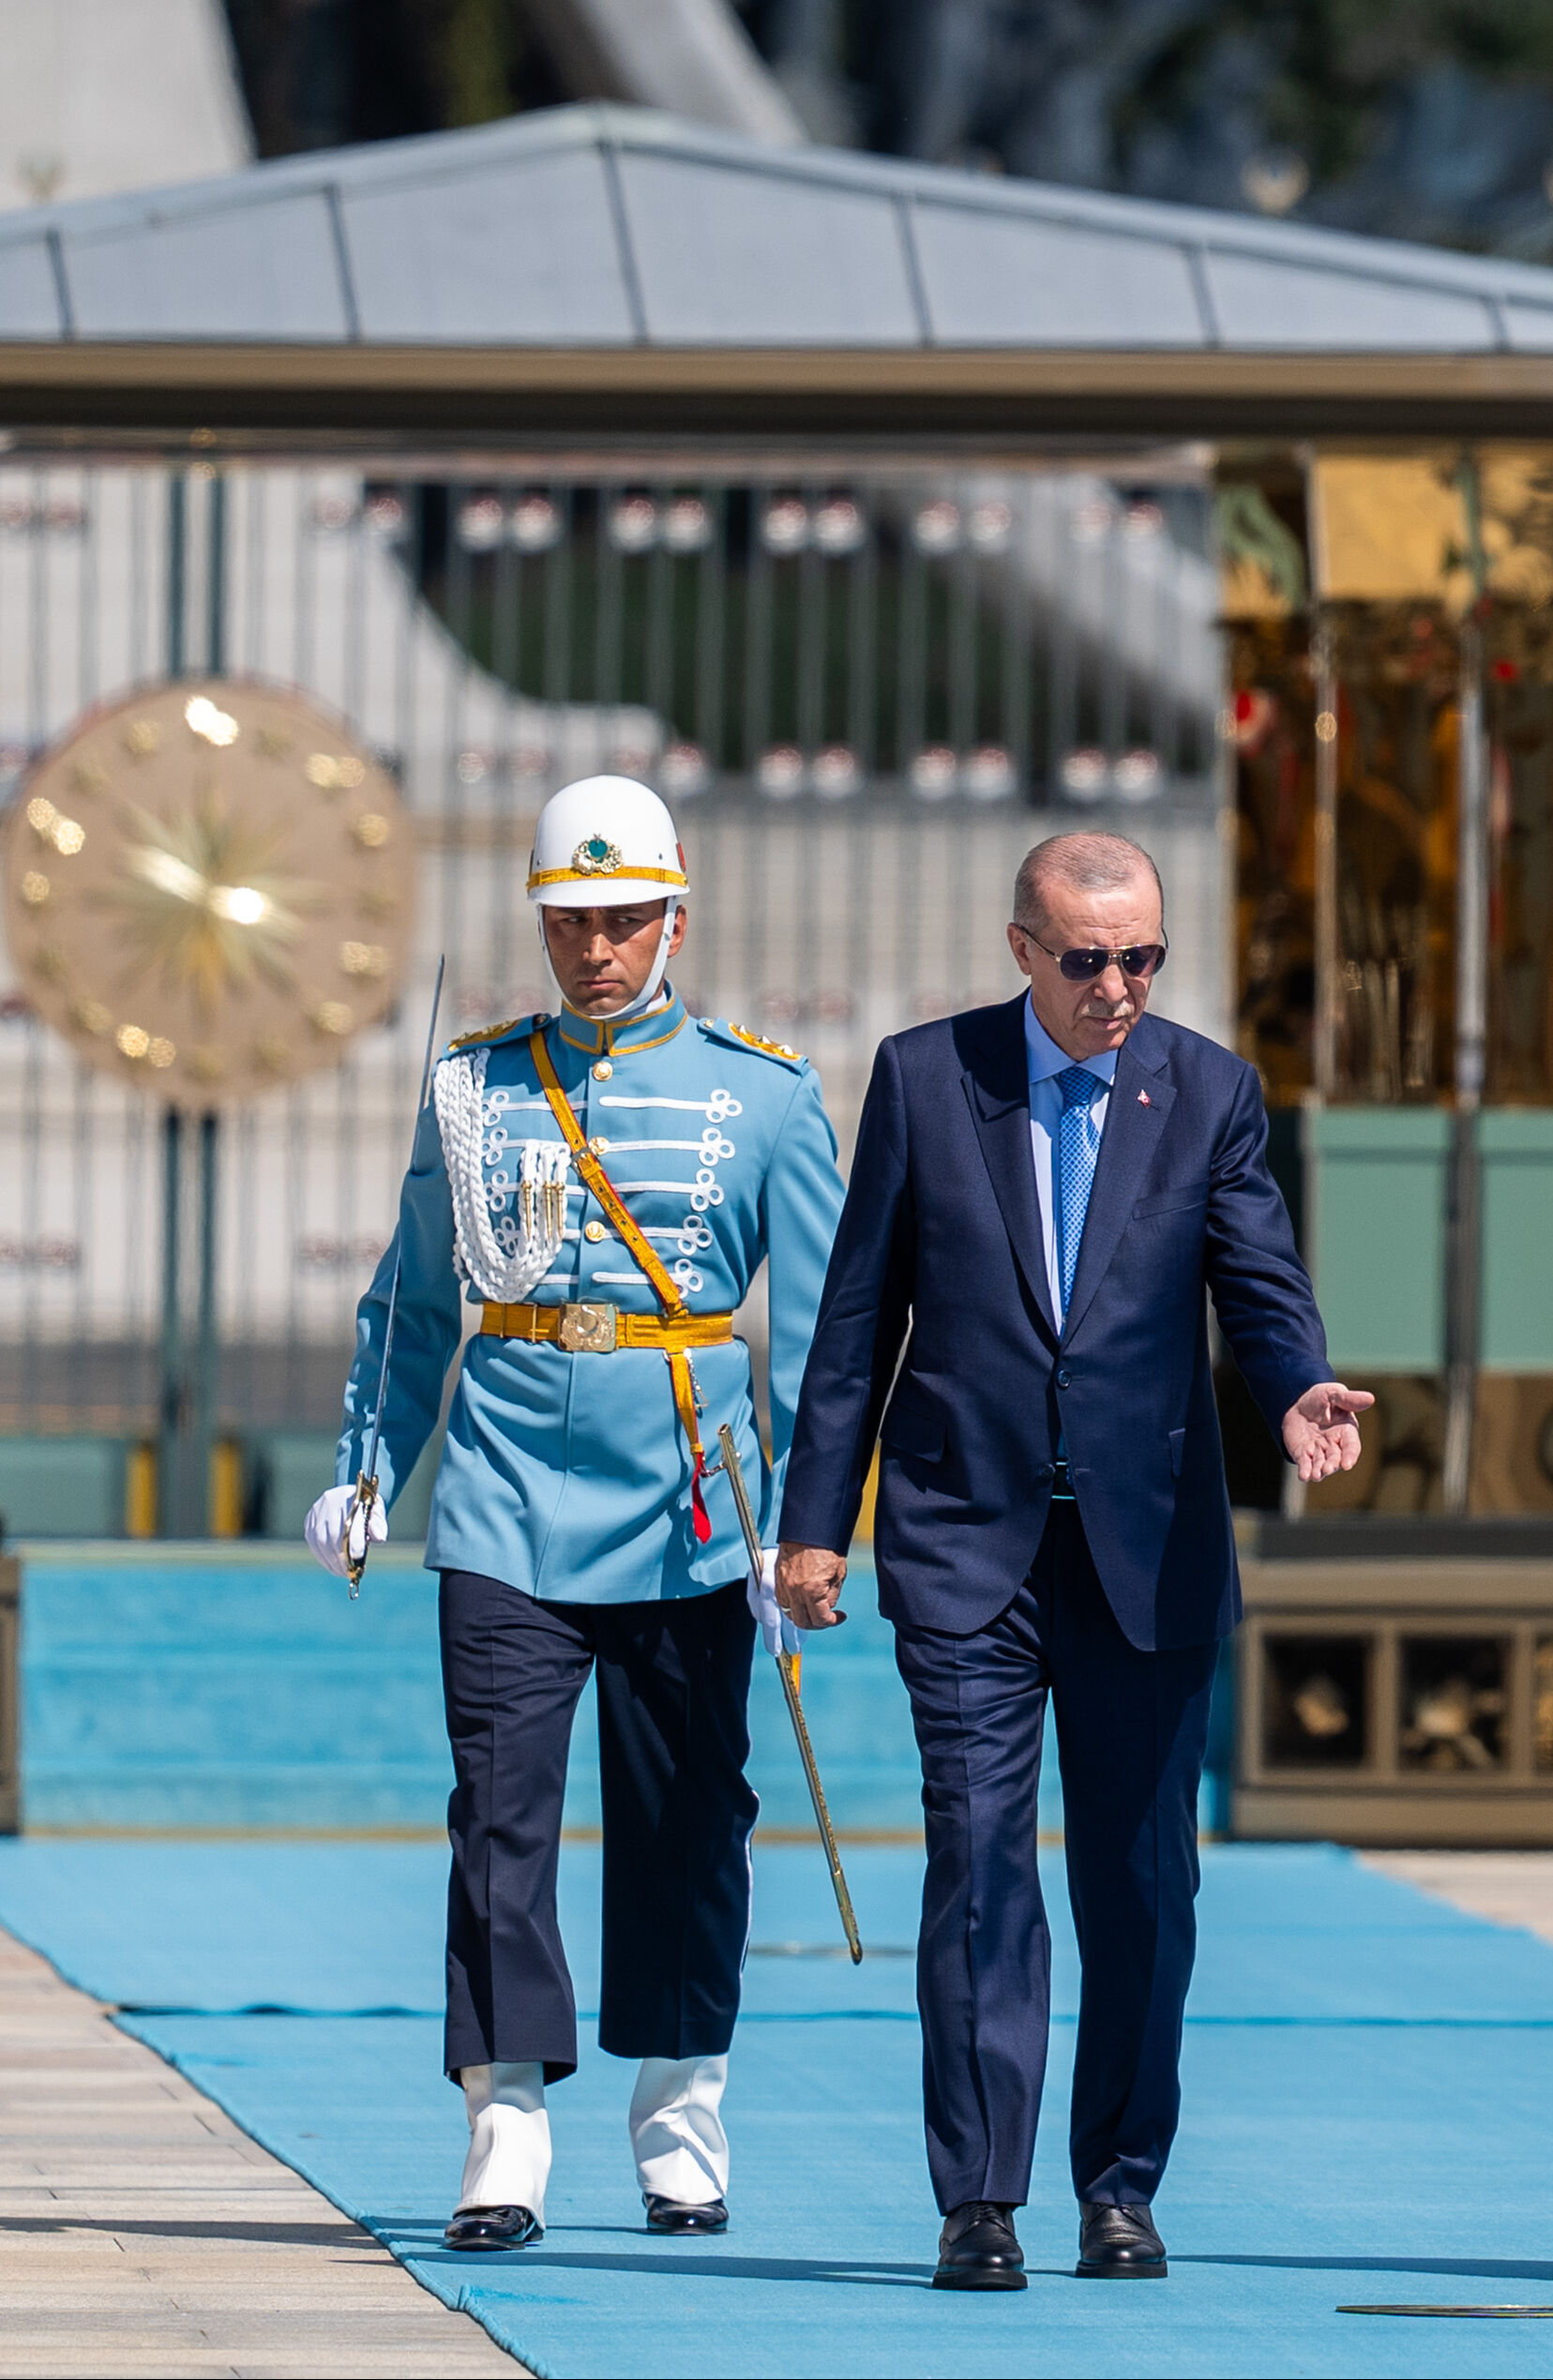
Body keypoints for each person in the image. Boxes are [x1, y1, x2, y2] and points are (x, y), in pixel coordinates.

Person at [770, 832, 1372, 2294]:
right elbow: (858, 1316)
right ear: (1024, 948)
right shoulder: (927, 1078)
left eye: (1144, 957)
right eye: (1091, 959)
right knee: (979, 1866)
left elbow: (1260, 1279)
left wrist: (1297, 1383)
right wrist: (815, 1519)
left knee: (1143, 1885)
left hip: (1145, 1551)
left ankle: (1119, 2183)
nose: (1120, 986)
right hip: (963, 1538)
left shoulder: (1209, 1090)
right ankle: (980, 2196)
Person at [321, 774, 845, 2252]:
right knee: (499, 1815)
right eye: (570, 922)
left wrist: (804, 1518)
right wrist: (366, 1466)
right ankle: (505, 2123)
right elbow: (413, 1301)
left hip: (690, 1499)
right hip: (504, 1492)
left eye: (622, 919)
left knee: (691, 1817)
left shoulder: (765, 1092)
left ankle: (679, 2115)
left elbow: (818, 1334)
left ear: (675, 917)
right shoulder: (474, 1086)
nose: (596, 947)